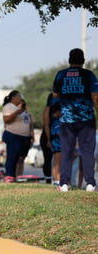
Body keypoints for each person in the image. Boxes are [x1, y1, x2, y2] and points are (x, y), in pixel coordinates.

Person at [52, 48, 98, 192]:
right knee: (87, 152)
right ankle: (90, 184)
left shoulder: (61, 74)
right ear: (83, 61)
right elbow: (95, 96)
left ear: (69, 60)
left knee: (67, 151)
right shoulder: (89, 75)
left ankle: (63, 184)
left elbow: (54, 95)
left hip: (66, 120)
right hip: (86, 119)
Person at [1, 90, 29, 183]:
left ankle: (17, 175)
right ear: (13, 97)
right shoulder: (8, 107)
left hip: (23, 136)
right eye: (19, 96)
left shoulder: (21, 109)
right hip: (13, 134)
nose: (21, 98)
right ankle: (9, 175)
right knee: (12, 156)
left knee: (19, 158)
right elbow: (6, 119)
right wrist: (17, 112)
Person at [40, 93, 57, 183]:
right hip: (48, 137)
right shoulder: (48, 110)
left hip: (56, 136)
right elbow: (46, 125)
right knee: (48, 159)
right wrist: (48, 139)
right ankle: (48, 179)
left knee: (57, 160)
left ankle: (57, 179)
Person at [15, 100, 34, 176]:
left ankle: (20, 175)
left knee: (22, 158)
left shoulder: (28, 114)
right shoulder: (16, 114)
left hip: (26, 138)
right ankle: (15, 174)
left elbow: (31, 126)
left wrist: (32, 136)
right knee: (17, 158)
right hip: (18, 137)